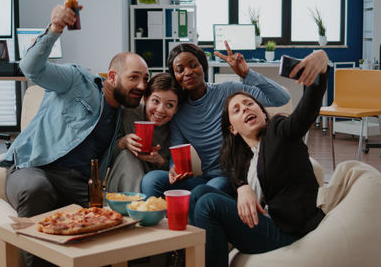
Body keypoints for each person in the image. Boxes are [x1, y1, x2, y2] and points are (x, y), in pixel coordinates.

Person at [0, 5, 149, 267]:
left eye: (145, 79)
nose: (141, 85)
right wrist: (55, 28)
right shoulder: (77, 80)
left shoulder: (124, 115)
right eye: (134, 77)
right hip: (34, 168)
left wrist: (122, 143)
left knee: (114, 220)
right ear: (112, 76)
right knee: (37, 189)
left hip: (80, 183)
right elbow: (31, 68)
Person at [188, 50, 330, 267]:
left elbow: (307, 111)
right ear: (232, 129)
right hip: (264, 223)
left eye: (249, 104)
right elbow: (237, 175)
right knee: (199, 193)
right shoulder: (242, 157)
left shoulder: (280, 131)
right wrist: (242, 187)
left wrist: (321, 63)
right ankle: (187, 258)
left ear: (263, 113)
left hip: (289, 230)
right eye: (236, 110)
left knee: (208, 204)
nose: (245, 108)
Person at [141, 42, 291, 197]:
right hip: (207, 178)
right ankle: (160, 219)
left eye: (193, 65)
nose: (187, 72)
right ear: (175, 76)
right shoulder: (178, 112)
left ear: (203, 67)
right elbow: (177, 151)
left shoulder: (229, 90)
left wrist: (246, 74)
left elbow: (281, 98)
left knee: (206, 191)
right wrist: (174, 168)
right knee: (151, 180)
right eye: (180, 70)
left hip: (234, 178)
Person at [106, 73, 184, 192]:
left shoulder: (176, 127)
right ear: (146, 98)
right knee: (127, 156)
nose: (160, 110)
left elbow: (176, 170)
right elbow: (105, 159)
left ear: (176, 108)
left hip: (155, 185)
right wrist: (123, 143)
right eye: (155, 101)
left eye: (170, 105)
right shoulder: (128, 114)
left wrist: (160, 161)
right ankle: (135, 206)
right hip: (125, 181)